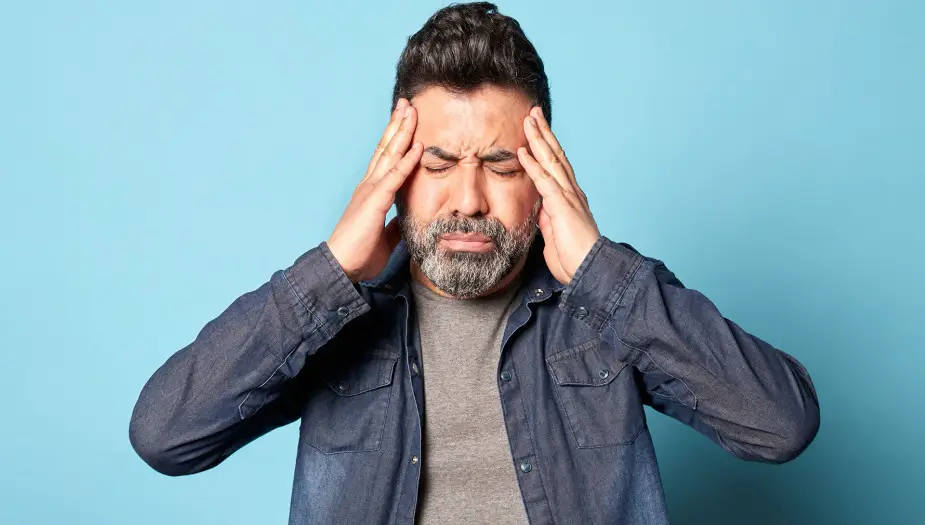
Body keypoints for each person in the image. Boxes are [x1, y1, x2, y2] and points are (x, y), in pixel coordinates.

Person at [129, 3, 820, 524]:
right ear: (395, 173)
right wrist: (332, 268)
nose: (468, 198)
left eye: (500, 164)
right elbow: (166, 436)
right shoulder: (337, 314)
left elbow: (778, 424)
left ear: (545, 175)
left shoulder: (605, 302)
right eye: (436, 163)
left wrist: (600, 271)